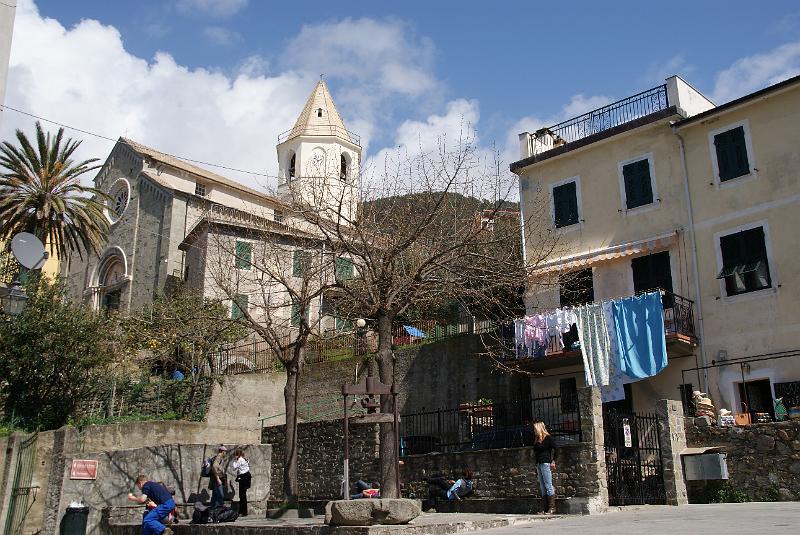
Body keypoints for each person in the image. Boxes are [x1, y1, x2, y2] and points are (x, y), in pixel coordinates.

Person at [532, 421, 558, 515]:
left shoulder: (548, 438)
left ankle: (552, 508)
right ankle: (544, 508)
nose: (534, 430)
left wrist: (553, 461)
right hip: (539, 463)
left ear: (539, 428)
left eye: (535, 429)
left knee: (548, 485)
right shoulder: (537, 439)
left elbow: (556, 448)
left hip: (546, 463)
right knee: (542, 486)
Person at [231, 448, 251, 516]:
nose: (234, 457)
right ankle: (242, 511)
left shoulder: (239, 460)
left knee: (242, 495)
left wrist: (234, 461)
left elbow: (234, 467)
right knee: (242, 495)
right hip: (246, 477)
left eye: (235, 455)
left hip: (244, 478)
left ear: (237, 455)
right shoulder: (244, 459)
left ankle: (244, 512)